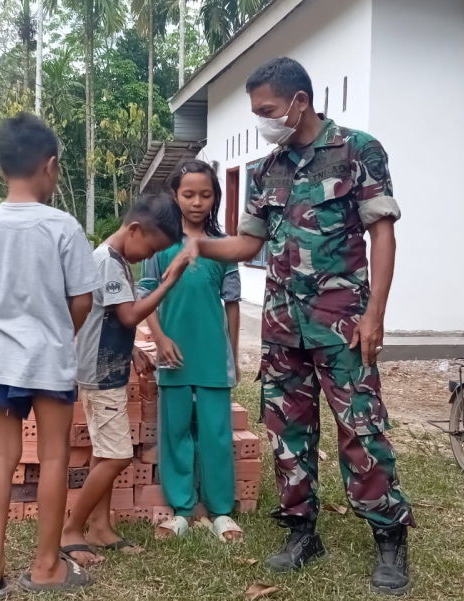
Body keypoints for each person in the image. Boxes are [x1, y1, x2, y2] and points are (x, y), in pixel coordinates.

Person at [172, 57, 415, 595]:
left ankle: (389, 536)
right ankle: (302, 531)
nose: (262, 119)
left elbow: (383, 234)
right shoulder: (268, 168)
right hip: (283, 324)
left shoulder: (357, 150)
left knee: (361, 428)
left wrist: (375, 312)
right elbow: (249, 243)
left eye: (267, 110)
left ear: (299, 101)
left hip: (342, 322)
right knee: (287, 430)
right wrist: (202, 244)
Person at [0, 113, 101, 597]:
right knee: (55, 457)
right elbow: (82, 299)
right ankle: (46, 567)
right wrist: (59, 331)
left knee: (1, 456)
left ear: (2, 169)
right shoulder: (63, 226)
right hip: (51, 360)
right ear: (51, 166)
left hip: (3, 361)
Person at [61, 192, 190, 567]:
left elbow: (109, 318)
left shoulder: (114, 260)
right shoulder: (108, 262)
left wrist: (132, 350)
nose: (149, 257)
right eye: (151, 247)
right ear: (134, 229)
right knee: (116, 456)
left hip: (108, 369)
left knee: (105, 452)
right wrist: (168, 283)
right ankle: (72, 530)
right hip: (99, 376)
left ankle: (100, 527)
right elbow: (130, 315)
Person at [138, 160, 243, 542]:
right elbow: (145, 294)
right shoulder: (159, 244)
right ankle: (181, 508)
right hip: (173, 356)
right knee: (176, 431)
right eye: (188, 194)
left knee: (216, 433)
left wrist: (231, 354)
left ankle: (220, 512)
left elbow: (232, 303)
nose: (197, 202)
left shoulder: (223, 247)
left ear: (215, 197)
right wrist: (160, 339)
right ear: (174, 196)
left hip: (213, 356)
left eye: (205, 194)